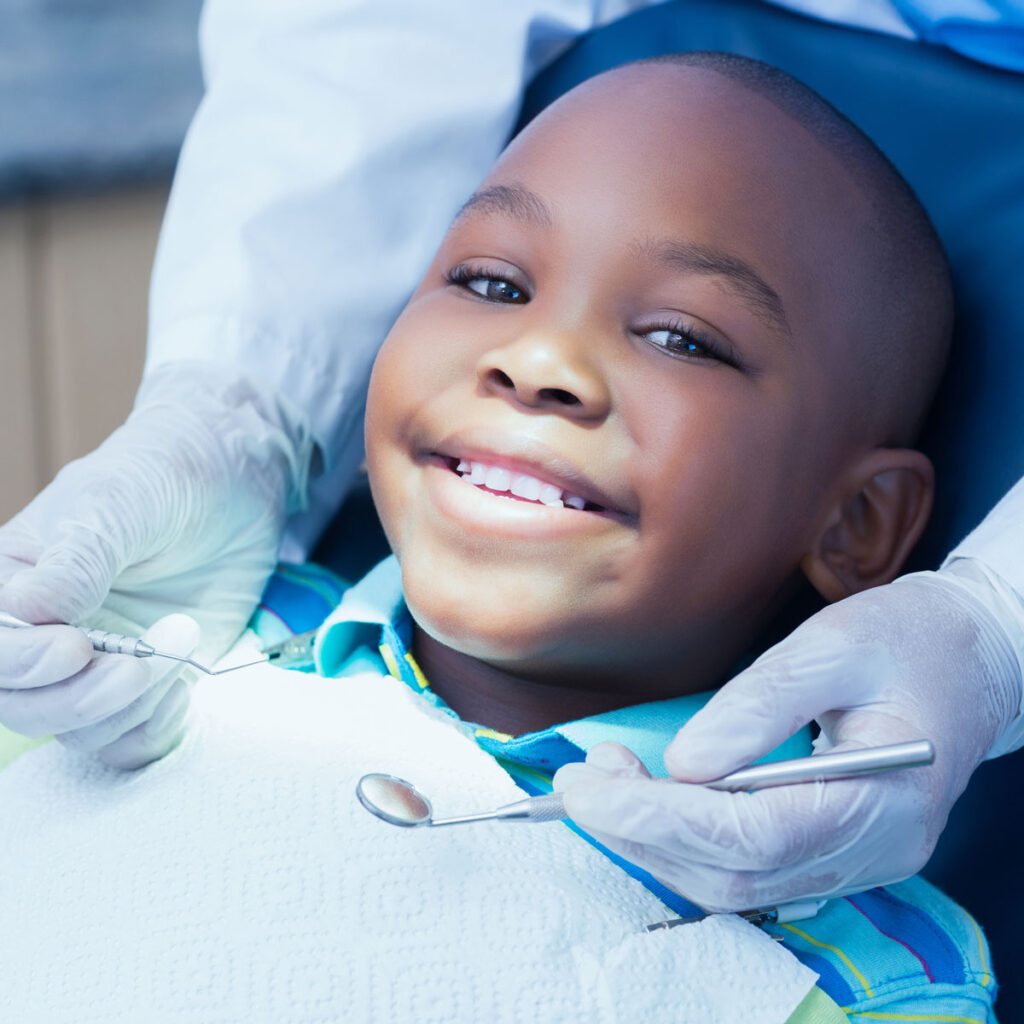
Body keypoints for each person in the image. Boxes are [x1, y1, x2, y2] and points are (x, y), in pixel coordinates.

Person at [0, 55, 999, 1022]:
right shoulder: (147, 656)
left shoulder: (875, 972)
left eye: (681, 338)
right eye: (489, 284)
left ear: (855, 522)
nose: (539, 360)